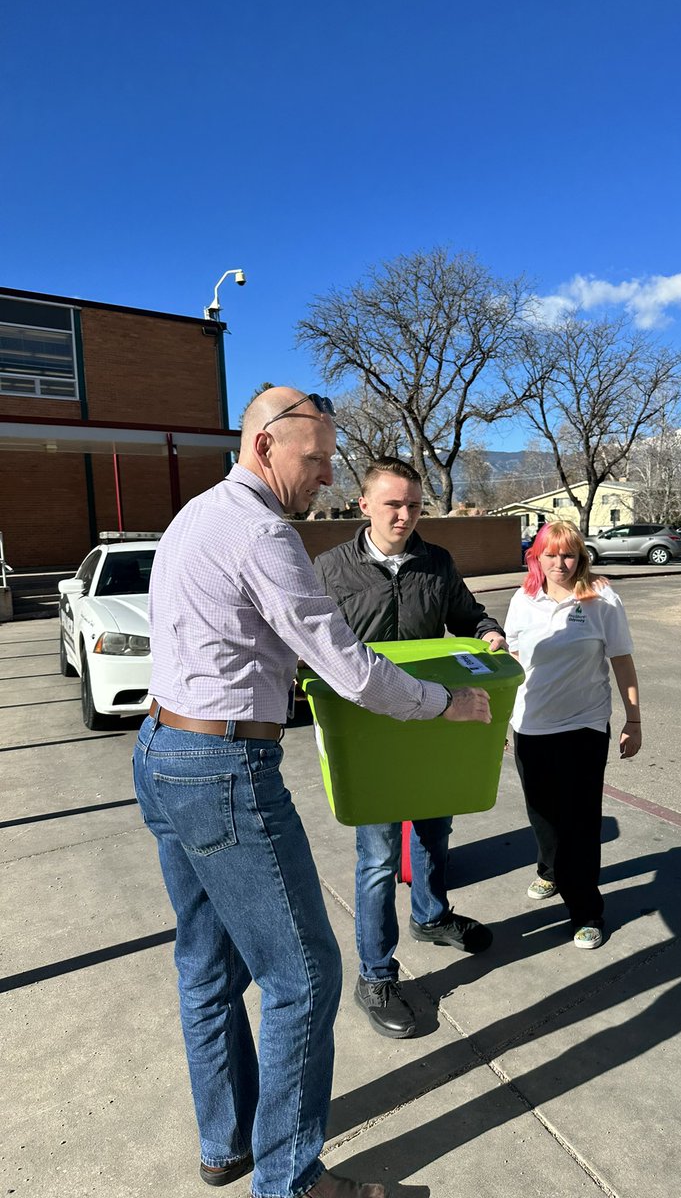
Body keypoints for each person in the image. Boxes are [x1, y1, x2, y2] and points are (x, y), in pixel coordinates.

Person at [131, 390, 490, 1198]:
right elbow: (346, 665)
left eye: (331, 459)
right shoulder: (263, 531)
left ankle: (228, 1146)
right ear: (264, 445)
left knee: (207, 964)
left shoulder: (196, 514)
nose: (326, 475)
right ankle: (290, 1182)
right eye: (316, 457)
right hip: (223, 769)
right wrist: (447, 703)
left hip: (163, 751)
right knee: (306, 975)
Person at [313, 457, 506, 1039]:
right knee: (375, 858)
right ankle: (375, 975)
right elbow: (312, 644)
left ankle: (430, 916)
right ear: (363, 504)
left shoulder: (436, 563)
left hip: (430, 719)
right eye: (393, 504)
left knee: (432, 831)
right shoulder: (330, 570)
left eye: (414, 505)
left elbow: (469, 616)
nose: (404, 515)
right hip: (366, 731)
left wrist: (488, 631)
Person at [505, 520, 641, 950]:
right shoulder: (522, 600)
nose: (560, 563)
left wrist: (633, 720)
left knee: (581, 821)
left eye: (569, 555)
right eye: (550, 554)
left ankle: (586, 910)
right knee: (542, 814)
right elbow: (511, 660)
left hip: (584, 724)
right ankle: (549, 869)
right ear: (536, 558)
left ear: (581, 557)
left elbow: (621, 660)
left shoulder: (602, 599)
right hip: (531, 724)